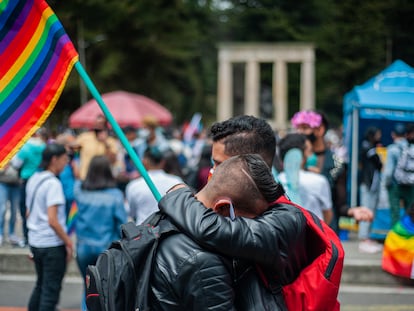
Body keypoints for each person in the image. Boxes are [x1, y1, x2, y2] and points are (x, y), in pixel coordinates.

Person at [151, 153, 294, 310]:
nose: (250, 228)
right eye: (248, 222)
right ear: (223, 208)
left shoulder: (164, 219)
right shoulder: (202, 262)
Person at [74, 155, 127, 311]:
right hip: (106, 248)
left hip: (83, 247)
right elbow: (121, 224)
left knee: (87, 286)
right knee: (107, 289)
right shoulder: (115, 195)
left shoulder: (80, 192)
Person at [26, 143, 73, 311]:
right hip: (51, 244)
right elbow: (52, 220)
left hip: (36, 241)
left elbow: (28, 212)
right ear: (54, 159)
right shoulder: (53, 184)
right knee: (50, 291)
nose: (66, 163)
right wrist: (68, 242)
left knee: (41, 285)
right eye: (64, 159)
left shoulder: (34, 178)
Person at [277, 133, 333, 223]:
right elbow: (327, 214)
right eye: (310, 151)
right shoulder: (319, 181)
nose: (313, 156)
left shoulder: (276, 180)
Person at [126, 146, 184, 225]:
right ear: (163, 162)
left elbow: (131, 212)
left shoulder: (134, 186)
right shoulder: (177, 182)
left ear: (144, 162)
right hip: (170, 231)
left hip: (144, 232)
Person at [11, 127, 48, 246]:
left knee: (24, 209)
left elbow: (16, 163)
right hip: (42, 180)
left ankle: (27, 238)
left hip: (27, 180)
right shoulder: (44, 147)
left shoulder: (26, 147)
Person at [358, 126, 383, 253]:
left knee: (370, 210)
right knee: (366, 210)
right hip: (368, 184)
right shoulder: (367, 147)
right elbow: (378, 163)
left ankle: (366, 237)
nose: (379, 136)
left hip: (370, 184)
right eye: (378, 134)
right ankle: (363, 238)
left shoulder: (369, 147)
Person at [75, 114, 120, 180]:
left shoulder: (111, 141)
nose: (98, 126)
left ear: (105, 125)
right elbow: (73, 150)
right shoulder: (84, 137)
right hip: (85, 178)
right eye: (97, 123)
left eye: (101, 123)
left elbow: (113, 160)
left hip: (103, 179)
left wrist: (105, 143)